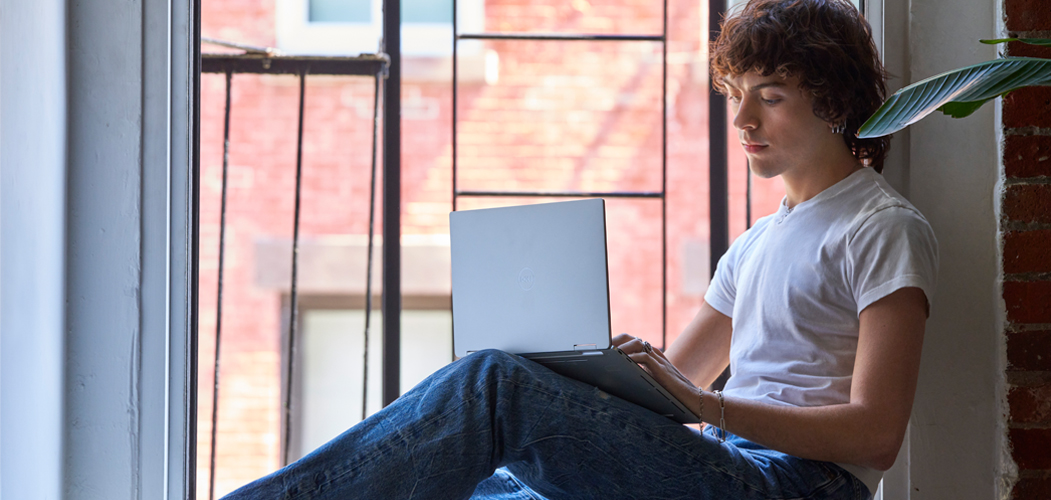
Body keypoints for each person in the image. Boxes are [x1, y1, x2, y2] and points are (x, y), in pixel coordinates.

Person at [223, 0, 937, 498]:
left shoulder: (880, 227)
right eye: (735, 94)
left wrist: (706, 408)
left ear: (836, 101)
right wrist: (581, 373)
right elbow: (675, 387)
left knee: (492, 384)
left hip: (790, 486)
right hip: (717, 466)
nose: (743, 118)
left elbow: (875, 436)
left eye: (772, 96)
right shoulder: (756, 245)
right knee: (476, 478)